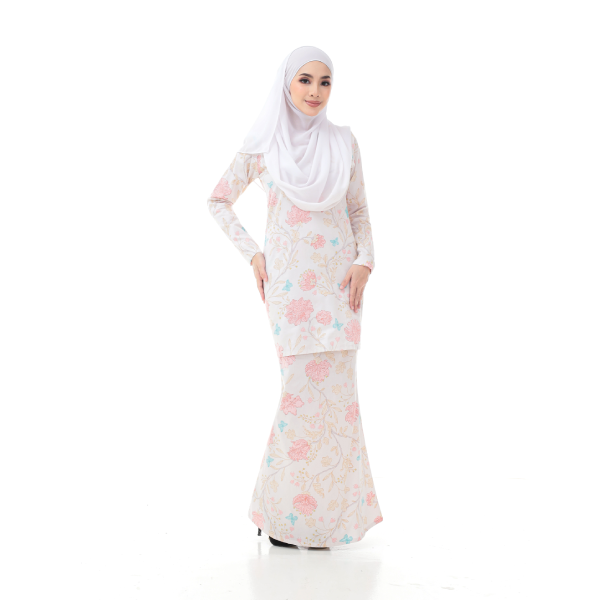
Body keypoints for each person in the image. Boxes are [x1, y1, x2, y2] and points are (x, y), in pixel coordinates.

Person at [207, 46, 383, 548]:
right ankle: (282, 516)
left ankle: (326, 521)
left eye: (325, 82)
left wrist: (365, 260)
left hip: (341, 288)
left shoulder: (344, 143)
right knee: (300, 396)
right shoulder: (265, 146)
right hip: (291, 290)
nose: (314, 91)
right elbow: (218, 200)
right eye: (305, 79)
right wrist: (253, 254)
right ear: (286, 84)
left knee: (339, 404)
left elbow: (359, 211)